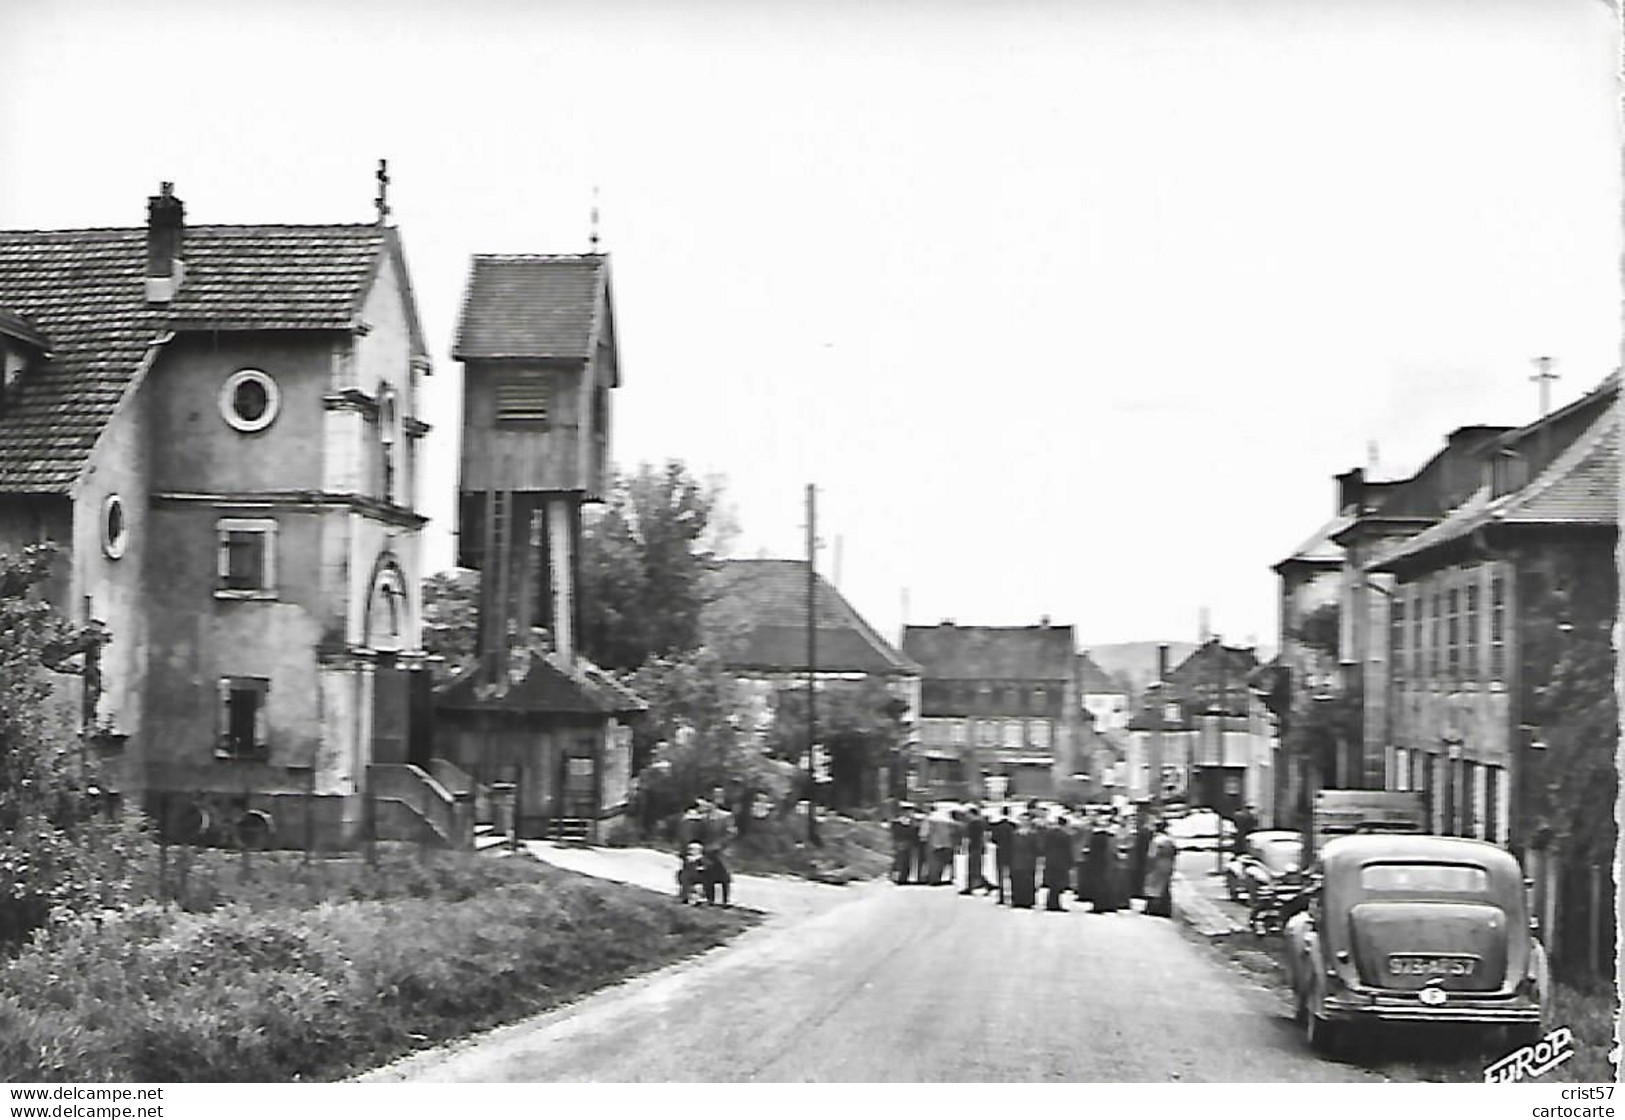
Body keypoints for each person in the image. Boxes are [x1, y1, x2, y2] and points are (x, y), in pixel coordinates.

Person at [700, 790, 735, 906]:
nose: (708, 805)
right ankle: (710, 899)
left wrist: (719, 845)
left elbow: (731, 833)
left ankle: (725, 901)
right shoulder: (704, 819)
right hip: (707, 851)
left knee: (724, 876)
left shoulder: (726, 816)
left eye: (711, 802)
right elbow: (700, 835)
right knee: (708, 875)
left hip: (721, 851)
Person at [1142, 820, 1178, 918]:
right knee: (1165, 886)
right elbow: (1175, 852)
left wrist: (1148, 866)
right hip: (1168, 863)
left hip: (1157, 864)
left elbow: (1152, 854)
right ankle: (1165, 908)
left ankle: (1153, 908)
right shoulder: (1169, 839)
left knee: (1153, 886)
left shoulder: (1156, 840)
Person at [1041, 812, 1074, 911]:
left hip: (1050, 860)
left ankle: (1050, 902)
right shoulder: (1066, 836)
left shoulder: (1049, 834)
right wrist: (1070, 862)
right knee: (1058, 884)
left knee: (1052, 883)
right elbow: (1068, 850)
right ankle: (1055, 904)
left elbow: (1045, 847)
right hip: (1061, 861)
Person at [1009, 813, 1041, 909]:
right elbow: (1010, 848)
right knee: (1016, 881)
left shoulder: (1033, 834)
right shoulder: (1014, 834)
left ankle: (1028, 901)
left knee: (1028, 882)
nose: (1023, 823)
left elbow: (1037, 848)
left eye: (1025, 821)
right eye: (1021, 821)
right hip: (1016, 861)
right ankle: (1017, 900)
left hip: (1029, 861)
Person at [959, 803, 990, 895]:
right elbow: (986, 834)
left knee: (972, 868)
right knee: (977, 867)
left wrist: (963, 847)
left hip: (973, 846)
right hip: (979, 846)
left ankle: (973, 886)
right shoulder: (982, 821)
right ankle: (982, 884)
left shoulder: (972, 823)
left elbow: (967, 836)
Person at [987, 805, 1016, 904]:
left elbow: (993, 839)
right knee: (1012, 874)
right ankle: (1013, 894)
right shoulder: (1014, 825)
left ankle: (1001, 896)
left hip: (1000, 850)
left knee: (1000, 874)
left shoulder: (997, 826)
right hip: (1012, 851)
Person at [890, 803, 920, 884]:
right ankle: (898, 877)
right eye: (909, 811)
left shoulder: (911, 822)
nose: (911, 813)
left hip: (906, 844)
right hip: (901, 843)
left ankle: (903, 877)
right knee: (900, 861)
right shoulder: (899, 822)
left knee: (906, 862)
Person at [1128, 811, 1154, 903]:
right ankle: (1136, 890)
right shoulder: (1141, 828)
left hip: (1143, 854)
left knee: (1141, 873)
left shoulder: (1146, 829)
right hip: (1138, 854)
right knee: (1137, 872)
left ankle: (1138, 891)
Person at [925, 807, 955, 885]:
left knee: (934, 863)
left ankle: (934, 879)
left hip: (934, 843)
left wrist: (924, 837)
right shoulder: (948, 821)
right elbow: (953, 832)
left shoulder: (931, 820)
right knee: (943, 863)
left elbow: (925, 831)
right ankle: (944, 877)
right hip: (947, 843)